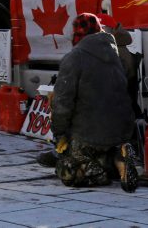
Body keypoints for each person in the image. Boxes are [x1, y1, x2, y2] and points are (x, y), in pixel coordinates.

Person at [51, 13, 138, 192]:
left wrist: (59, 134)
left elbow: (62, 103)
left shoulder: (75, 57)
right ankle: (118, 158)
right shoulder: (115, 53)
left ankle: (95, 172)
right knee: (102, 148)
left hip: (89, 133)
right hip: (122, 130)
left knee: (66, 169)